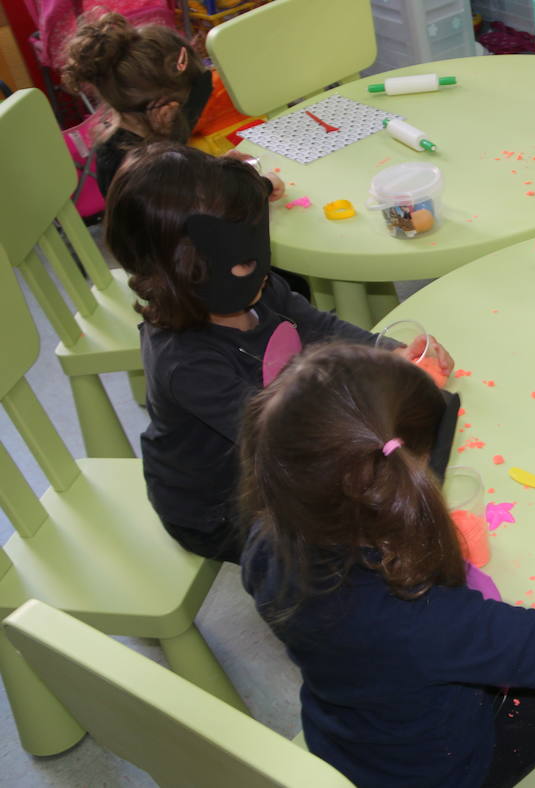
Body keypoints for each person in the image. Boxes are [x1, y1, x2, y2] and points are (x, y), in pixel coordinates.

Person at [239, 342, 535, 787]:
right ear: (401, 481)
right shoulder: (419, 617)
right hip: (439, 771)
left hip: (345, 739)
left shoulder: (265, 542)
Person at [102, 143, 453, 562]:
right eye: (244, 262)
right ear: (185, 273)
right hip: (219, 509)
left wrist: (388, 354)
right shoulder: (187, 365)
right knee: (357, 543)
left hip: (283, 444)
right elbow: (285, 444)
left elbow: (318, 324)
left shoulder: (255, 287)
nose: (261, 268)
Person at [61, 11, 264, 196]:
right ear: (168, 110)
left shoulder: (131, 142)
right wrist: (260, 185)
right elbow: (193, 214)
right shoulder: (143, 169)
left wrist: (217, 168)